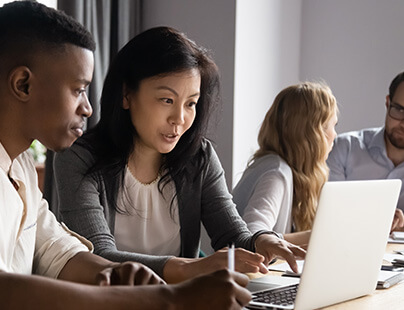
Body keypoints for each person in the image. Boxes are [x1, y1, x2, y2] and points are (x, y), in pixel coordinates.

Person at [0, 2, 256, 309]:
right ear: (23, 84)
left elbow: (62, 255)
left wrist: (120, 275)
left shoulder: (18, 163)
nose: (88, 108)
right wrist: (172, 301)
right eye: (78, 90)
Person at [54, 26, 306, 285]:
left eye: (190, 103)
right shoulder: (79, 158)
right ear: (126, 95)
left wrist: (262, 241)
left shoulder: (200, 157)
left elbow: (232, 235)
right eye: (166, 100)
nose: (180, 119)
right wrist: (191, 268)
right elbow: (100, 259)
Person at [232, 82, 338, 247]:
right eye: (333, 126)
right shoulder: (276, 173)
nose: (335, 135)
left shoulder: (275, 166)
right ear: (314, 134)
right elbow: (253, 235)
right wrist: (315, 236)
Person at [327, 71, 404, 232]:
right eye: (399, 110)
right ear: (388, 103)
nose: (403, 124)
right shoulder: (344, 148)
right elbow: (328, 216)